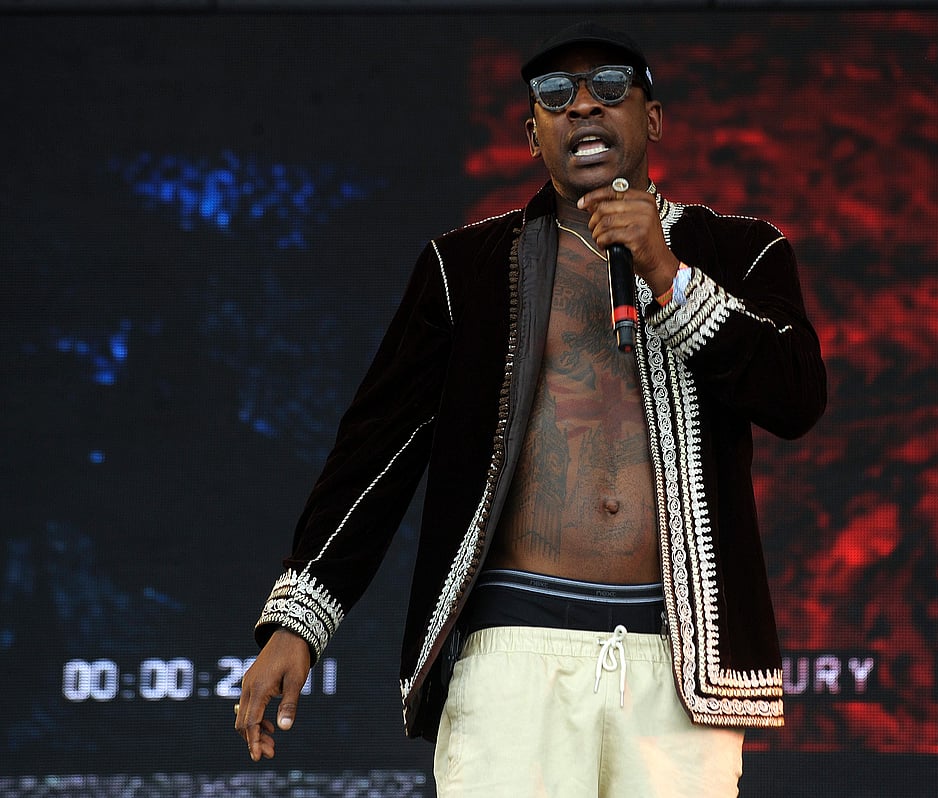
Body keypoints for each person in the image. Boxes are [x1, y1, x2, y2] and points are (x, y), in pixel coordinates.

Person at [234, 21, 826, 796]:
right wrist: (299, 620)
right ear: (532, 133)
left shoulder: (742, 251)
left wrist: (667, 273)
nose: (583, 107)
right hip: (513, 654)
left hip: (677, 669)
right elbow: (375, 452)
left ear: (652, 119)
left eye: (609, 87)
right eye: (556, 96)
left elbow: (795, 397)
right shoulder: (466, 268)